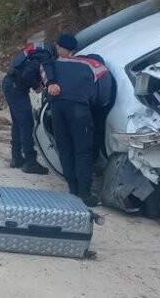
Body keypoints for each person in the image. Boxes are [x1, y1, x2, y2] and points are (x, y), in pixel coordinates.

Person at [43, 33, 105, 207]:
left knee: (65, 149)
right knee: (83, 151)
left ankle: (73, 189)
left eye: (58, 46)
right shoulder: (91, 65)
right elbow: (102, 93)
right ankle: (85, 194)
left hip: (57, 110)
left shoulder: (51, 65)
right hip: (79, 110)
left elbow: (44, 80)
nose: (56, 49)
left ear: (63, 48)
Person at [0, 41, 51, 174]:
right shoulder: (45, 56)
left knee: (18, 123)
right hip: (16, 88)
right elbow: (28, 74)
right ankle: (30, 162)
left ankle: (16, 157)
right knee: (26, 123)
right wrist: (37, 86)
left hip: (10, 84)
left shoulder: (39, 49)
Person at [84, 54, 116, 164]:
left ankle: (93, 162)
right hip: (103, 111)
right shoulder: (107, 75)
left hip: (97, 112)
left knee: (95, 138)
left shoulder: (97, 76)